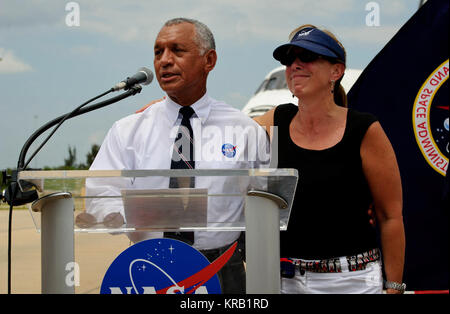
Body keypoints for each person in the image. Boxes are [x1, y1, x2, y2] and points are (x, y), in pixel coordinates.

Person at [86, 18, 269, 294]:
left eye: (177, 50)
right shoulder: (128, 130)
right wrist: (127, 215)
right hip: (149, 267)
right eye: (158, 52)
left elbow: (267, 200)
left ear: (209, 60)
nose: (164, 61)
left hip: (221, 268)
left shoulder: (243, 130)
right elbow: (100, 193)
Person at [253, 24, 406, 294]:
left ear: (336, 71)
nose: (295, 65)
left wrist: (393, 288)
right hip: (286, 283)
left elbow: (390, 216)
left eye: (307, 57)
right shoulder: (277, 119)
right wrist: (162, 110)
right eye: (290, 59)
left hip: (353, 282)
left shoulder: (364, 129)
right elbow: (221, 136)